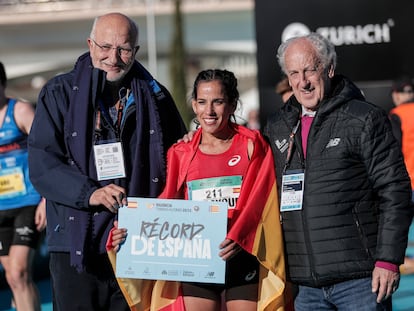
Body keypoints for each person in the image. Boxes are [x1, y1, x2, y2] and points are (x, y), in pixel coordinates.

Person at [27, 13, 186, 311]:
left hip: (137, 241)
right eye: (105, 47)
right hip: (78, 244)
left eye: (124, 49)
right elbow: (43, 164)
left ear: (135, 52)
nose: (114, 57)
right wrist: (90, 193)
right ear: (90, 45)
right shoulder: (59, 93)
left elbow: (178, 154)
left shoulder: (157, 97)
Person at [109, 69, 287, 311]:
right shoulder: (180, 153)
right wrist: (130, 228)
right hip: (197, 259)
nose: (209, 111)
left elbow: (262, 199)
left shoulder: (252, 145)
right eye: (202, 102)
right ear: (194, 105)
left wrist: (240, 235)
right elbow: (166, 205)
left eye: (218, 102)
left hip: (241, 252)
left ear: (233, 104)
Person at [263, 32, 414, 310]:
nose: (303, 82)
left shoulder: (364, 118)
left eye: (310, 69)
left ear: (329, 68)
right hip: (305, 288)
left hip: (361, 283)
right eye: (294, 73)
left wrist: (388, 260)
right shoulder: (277, 127)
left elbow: (395, 191)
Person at [0, 61, 46, 311]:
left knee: (18, 273)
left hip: (27, 203)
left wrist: (46, 200)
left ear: (3, 84)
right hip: (0, 208)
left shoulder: (19, 111)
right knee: (13, 277)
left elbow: (47, 150)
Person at [389, 76, 414, 275]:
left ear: (396, 95)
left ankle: (405, 261)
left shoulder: (396, 115)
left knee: (401, 226)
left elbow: (393, 151)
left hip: (408, 182)